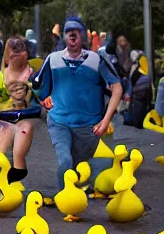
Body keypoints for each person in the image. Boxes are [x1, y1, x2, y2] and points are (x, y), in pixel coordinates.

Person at [32, 17, 122, 190]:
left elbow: (117, 87)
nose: (72, 35)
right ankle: (65, 199)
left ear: (83, 37)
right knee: (65, 160)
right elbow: (37, 86)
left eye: (76, 31)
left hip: (89, 126)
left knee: (78, 166)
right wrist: (43, 100)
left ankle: (74, 197)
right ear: (65, 36)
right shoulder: (53, 59)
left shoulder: (96, 60)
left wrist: (106, 120)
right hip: (59, 122)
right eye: (68, 31)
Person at [0, 37, 41, 182]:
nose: (14, 60)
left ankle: (13, 181)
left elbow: (41, 93)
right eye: (12, 57)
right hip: (5, 120)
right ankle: (3, 184)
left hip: (25, 119)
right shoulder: (0, 73)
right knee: (1, 157)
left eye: (18, 56)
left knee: (18, 155)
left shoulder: (31, 73)